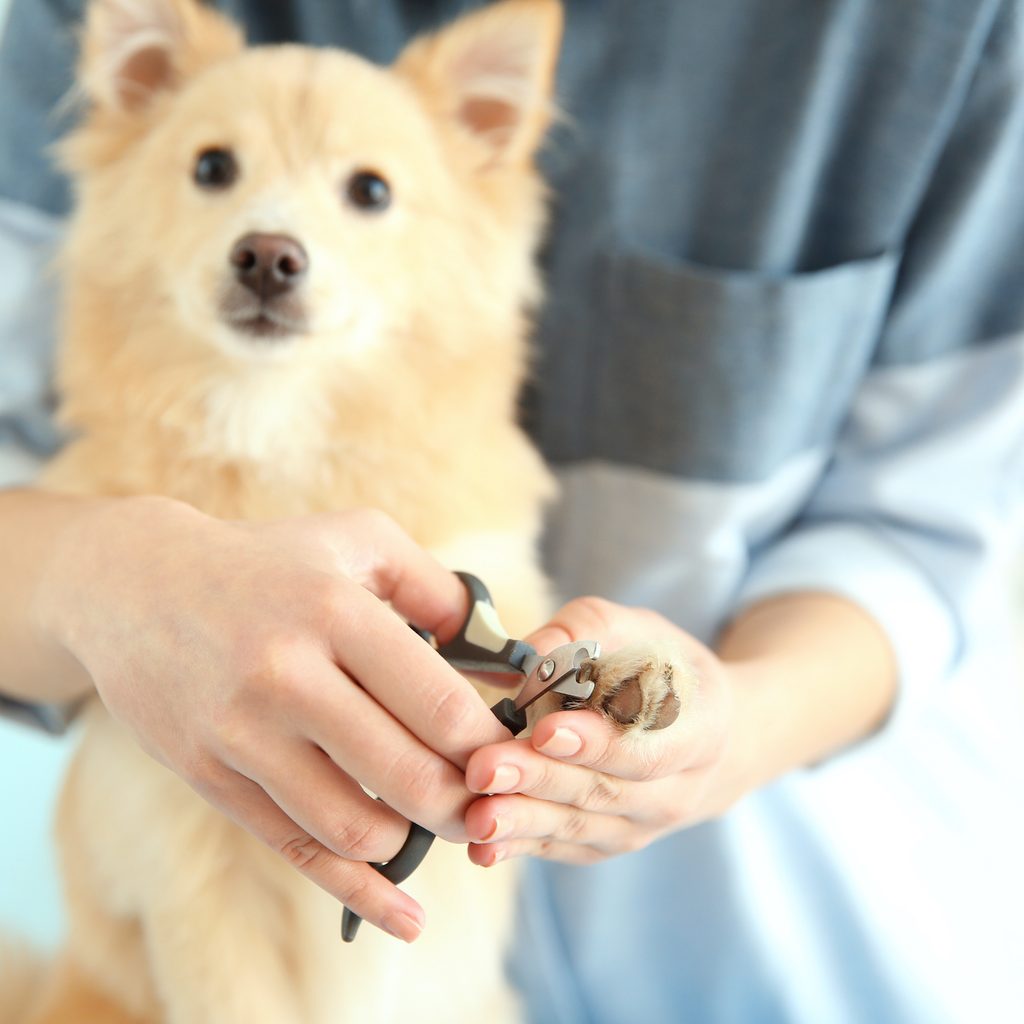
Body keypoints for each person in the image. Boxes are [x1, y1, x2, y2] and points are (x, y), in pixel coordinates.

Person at [2, 0, 1023, 1020]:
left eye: (367, 189)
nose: (274, 240)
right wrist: (99, 574)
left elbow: (927, 524)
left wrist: (726, 721)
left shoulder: (939, 30)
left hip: (789, 943)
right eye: (215, 166)